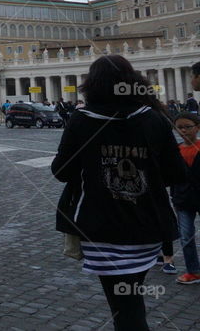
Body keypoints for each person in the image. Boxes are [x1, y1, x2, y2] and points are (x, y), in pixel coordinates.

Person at [52, 55, 186, 330]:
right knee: (129, 302)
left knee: (125, 309)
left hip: (101, 230)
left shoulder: (82, 120)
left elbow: (61, 171)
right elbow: (175, 174)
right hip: (147, 227)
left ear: (92, 85)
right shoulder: (155, 119)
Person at [172, 112, 200, 284]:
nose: (183, 131)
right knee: (186, 236)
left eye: (187, 127)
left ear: (197, 127)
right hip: (183, 200)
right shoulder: (175, 150)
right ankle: (193, 271)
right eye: (180, 127)